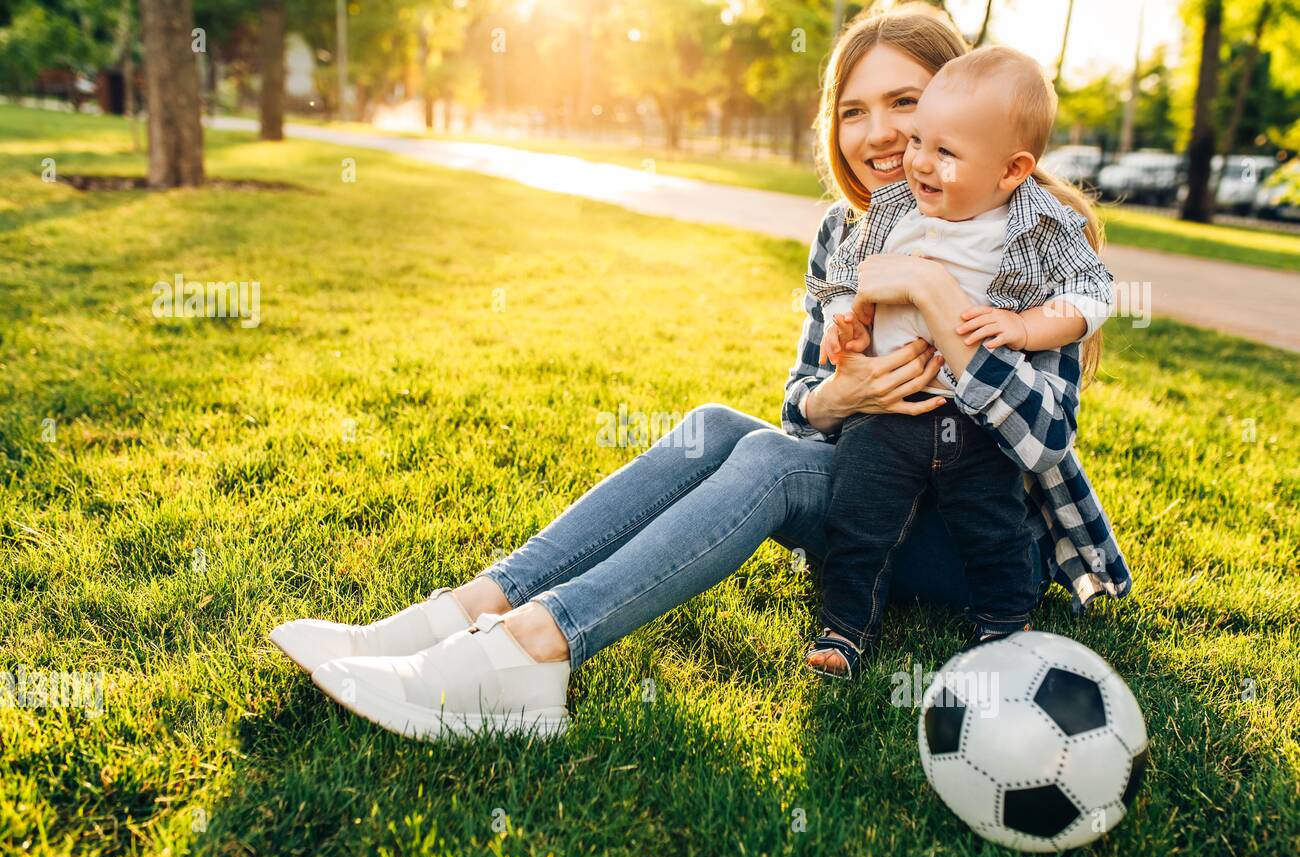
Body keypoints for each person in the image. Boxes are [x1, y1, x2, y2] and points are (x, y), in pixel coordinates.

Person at [266, 4, 1130, 739]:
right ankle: (464, 611)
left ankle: (531, 651)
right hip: (872, 502)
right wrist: (841, 394)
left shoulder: (1037, 238)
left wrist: (937, 296)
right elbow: (802, 419)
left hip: (972, 545)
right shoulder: (848, 232)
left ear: (960, 104)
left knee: (766, 461)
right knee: (722, 426)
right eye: (854, 110)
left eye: (906, 102)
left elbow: (1048, 442)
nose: (878, 135)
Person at [804, 46, 1116, 679]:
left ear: (1011, 170)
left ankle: (1005, 625)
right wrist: (849, 322)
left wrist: (1027, 326)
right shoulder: (893, 208)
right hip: (890, 415)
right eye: (920, 140)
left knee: (994, 524)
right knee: (858, 516)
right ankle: (844, 627)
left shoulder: (1038, 227)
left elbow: (1094, 294)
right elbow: (847, 275)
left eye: (943, 151)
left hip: (978, 422)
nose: (917, 160)